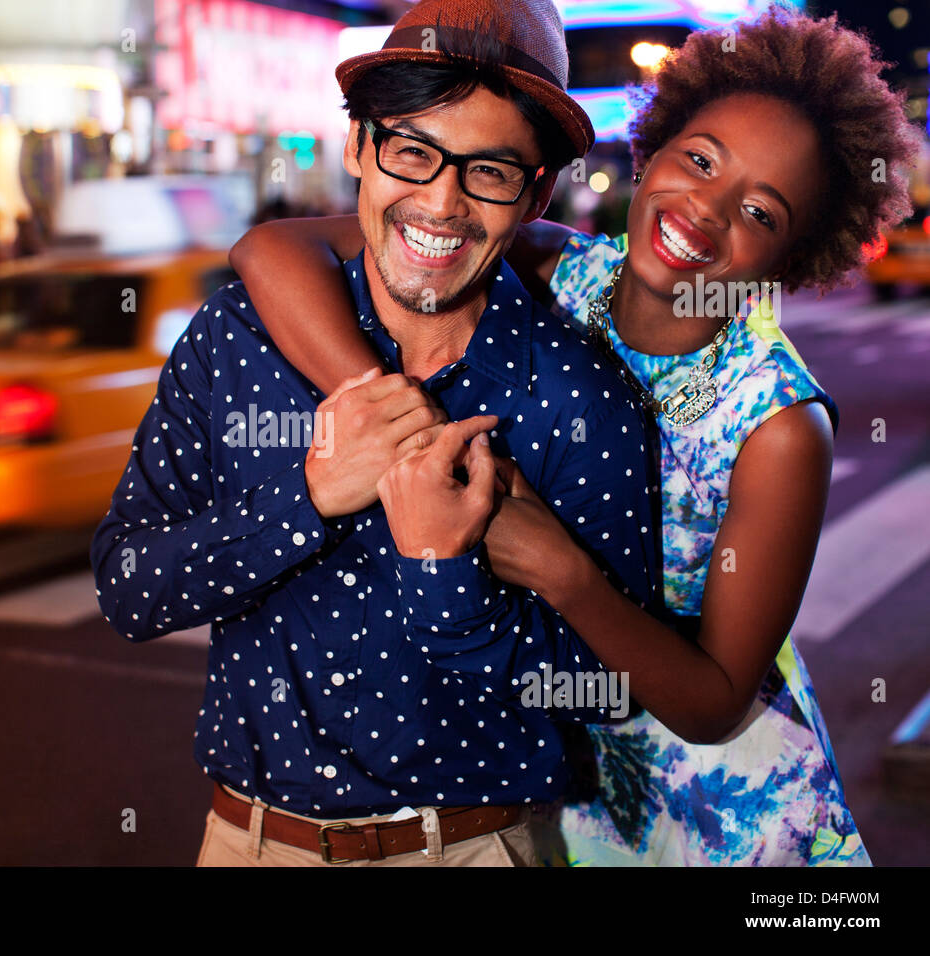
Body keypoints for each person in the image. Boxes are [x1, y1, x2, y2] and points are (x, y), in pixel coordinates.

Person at [226, 6, 918, 865]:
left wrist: (561, 571)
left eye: (762, 213)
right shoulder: (553, 268)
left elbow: (713, 703)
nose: (706, 208)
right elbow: (272, 251)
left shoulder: (778, 423)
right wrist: (398, 425)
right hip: (549, 784)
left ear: (794, 257)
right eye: (700, 161)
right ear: (651, 150)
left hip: (722, 821)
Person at [93, 0, 662, 867]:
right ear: (359, 146)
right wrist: (310, 496)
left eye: (491, 172)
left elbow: (613, 685)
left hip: (474, 848)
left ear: (536, 193)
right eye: (412, 151)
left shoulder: (582, 395)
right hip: (250, 843)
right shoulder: (237, 337)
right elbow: (130, 591)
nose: (441, 203)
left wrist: (451, 583)